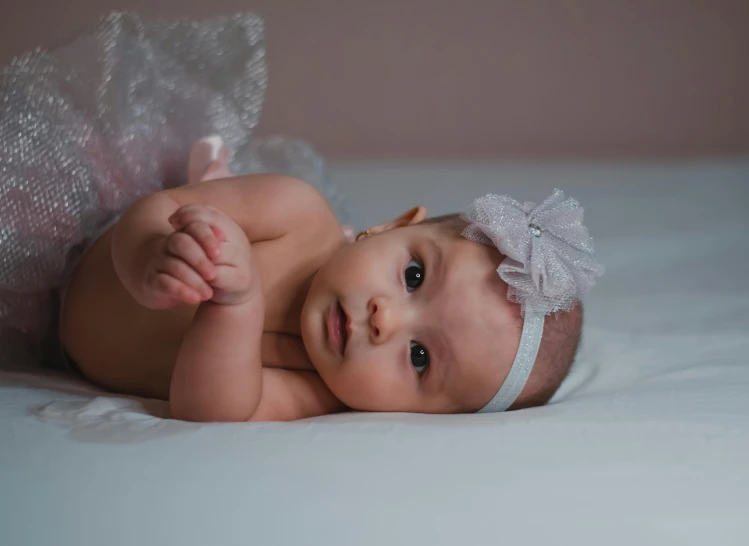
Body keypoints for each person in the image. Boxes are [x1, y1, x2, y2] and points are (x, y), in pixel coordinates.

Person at [60, 137, 604, 422]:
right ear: (389, 227)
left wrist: (237, 307)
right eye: (413, 276)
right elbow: (160, 207)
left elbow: (209, 409)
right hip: (72, 259)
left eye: (420, 358)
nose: (385, 318)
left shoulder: (319, 390)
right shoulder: (295, 212)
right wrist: (149, 258)